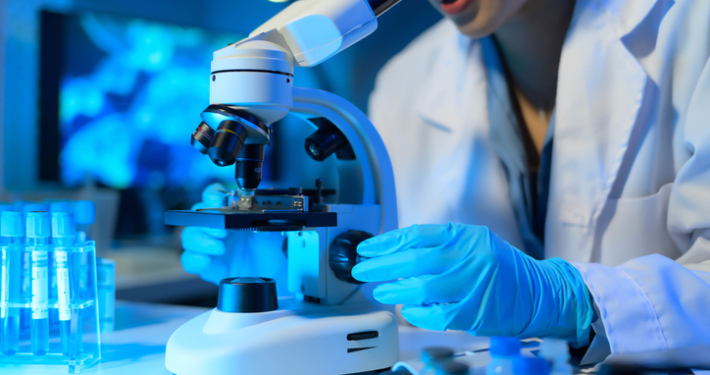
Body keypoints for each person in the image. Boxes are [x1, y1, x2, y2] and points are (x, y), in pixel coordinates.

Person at [182, 0, 710, 366]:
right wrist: (286, 264)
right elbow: (392, 289)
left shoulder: (692, 27)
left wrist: (574, 302)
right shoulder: (406, 80)